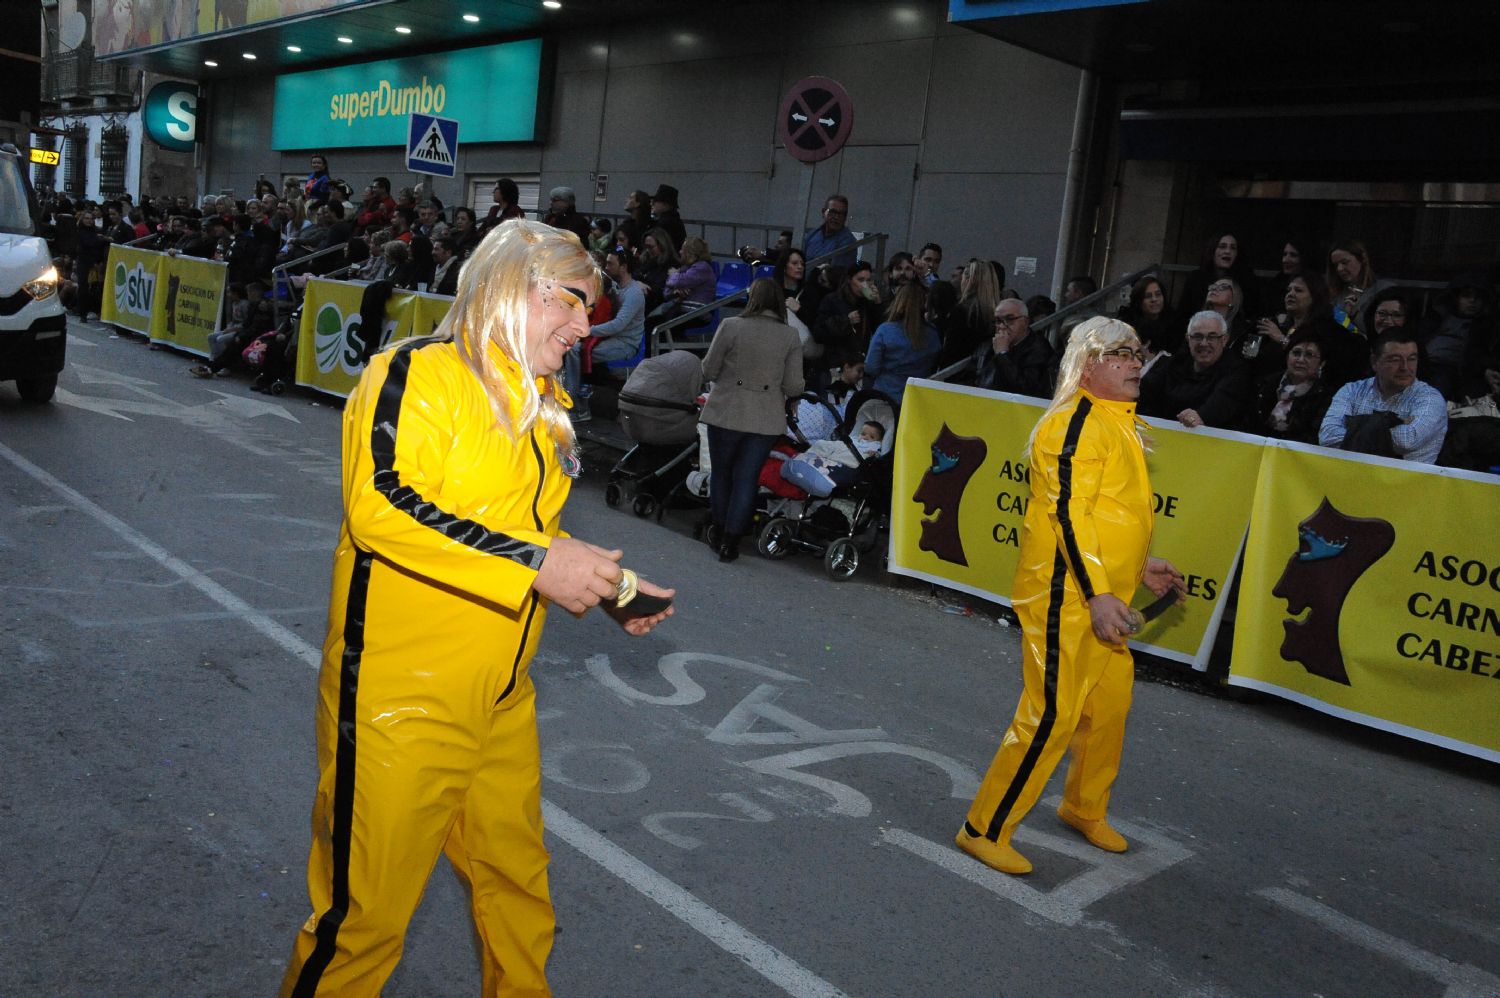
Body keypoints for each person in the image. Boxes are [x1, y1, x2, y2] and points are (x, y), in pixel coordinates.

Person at [280, 219, 675, 995]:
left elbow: (520, 526)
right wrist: (537, 565)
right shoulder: (416, 372)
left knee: (519, 894)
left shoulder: (542, 402)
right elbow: (384, 506)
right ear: (504, 286)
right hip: (399, 704)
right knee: (362, 924)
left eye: (590, 310)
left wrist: (613, 593)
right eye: (568, 302)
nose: (582, 326)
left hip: (500, 699)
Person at [957, 316, 1186, 876]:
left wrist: (1138, 568)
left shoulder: (1114, 421)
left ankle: (1083, 807)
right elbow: (1067, 515)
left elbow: (1107, 513)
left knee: (1107, 706)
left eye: (1137, 353)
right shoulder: (1076, 423)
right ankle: (984, 827)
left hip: (1096, 591)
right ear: (1087, 365)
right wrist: (1101, 595)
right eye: (1122, 354)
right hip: (1067, 595)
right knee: (1053, 712)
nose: (1136, 363)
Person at [698, 278, 804, 562]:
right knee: (747, 479)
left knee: (722, 475)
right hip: (765, 418)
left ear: (752, 298)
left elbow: (708, 369)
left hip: (726, 411)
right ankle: (731, 543)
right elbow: (795, 386)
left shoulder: (731, 326)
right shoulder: (790, 336)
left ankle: (718, 531)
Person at [1318, 328, 1448, 463]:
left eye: (1411, 359)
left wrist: (1355, 426)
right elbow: (1327, 437)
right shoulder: (1351, 391)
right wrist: (1388, 424)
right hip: (1351, 476)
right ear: (1375, 362)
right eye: (1395, 360)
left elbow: (1407, 441)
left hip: (1405, 481)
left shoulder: (1430, 399)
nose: (1405, 367)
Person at [1139, 310, 1253, 429]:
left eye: (1212, 337)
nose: (1204, 343)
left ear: (1224, 340)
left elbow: (1221, 403)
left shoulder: (1236, 371)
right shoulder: (1175, 362)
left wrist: (1201, 416)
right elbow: (1146, 392)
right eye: (1197, 336)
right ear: (1188, 339)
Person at [564, 248, 646, 404]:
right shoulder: (617, 287)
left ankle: (572, 398)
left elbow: (618, 325)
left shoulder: (634, 293)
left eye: (610, 264)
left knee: (575, 351)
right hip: (609, 338)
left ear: (623, 267)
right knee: (569, 346)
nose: (606, 267)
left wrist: (587, 331)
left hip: (625, 343)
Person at [1243, 328, 1335, 443]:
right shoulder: (1264, 383)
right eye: (1296, 353)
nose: (1301, 360)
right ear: (1287, 356)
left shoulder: (1326, 397)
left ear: (1322, 363)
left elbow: (1314, 438)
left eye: (1309, 355)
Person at [864, 282, 940, 404]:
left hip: (885, 396)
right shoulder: (933, 333)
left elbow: (871, 368)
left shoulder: (885, 330)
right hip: (916, 399)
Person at [976, 296, 1055, 399]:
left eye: (1009, 319)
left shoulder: (1039, 348)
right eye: (998, 320)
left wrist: (1002, 354)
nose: (1002, 326)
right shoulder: (989, 345)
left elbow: (1026, 389)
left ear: (1025, 322)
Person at [803, 194, 857, 267]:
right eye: (833, 212)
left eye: (841, 214)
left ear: (845, 217)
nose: (836, 217)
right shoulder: (813, 234)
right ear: (823, 212)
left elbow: (835, 274)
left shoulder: (847, 241)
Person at [649, 184, 686, 250]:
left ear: (665, 204)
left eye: (655, 201)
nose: (652, 204)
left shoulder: (666, 223)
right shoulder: (674, 220)